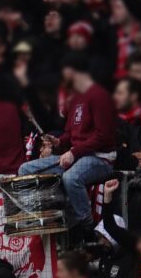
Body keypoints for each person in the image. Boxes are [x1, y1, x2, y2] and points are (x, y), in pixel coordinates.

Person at [18, 53, 119, 238]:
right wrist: (59, 142)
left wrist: (73, 151)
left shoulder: (99, 95)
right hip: (77, 156)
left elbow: (103, 136)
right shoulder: (77, 99)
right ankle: (43, 218)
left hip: (100, 157)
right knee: (26, 169)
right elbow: (70, 135)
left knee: (71, 178)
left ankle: (86, 227)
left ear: (71, 71)